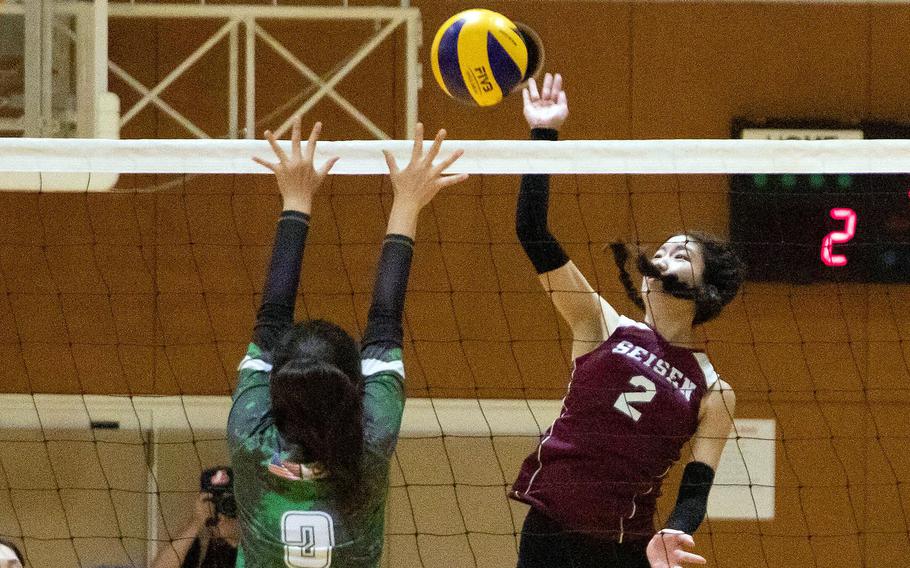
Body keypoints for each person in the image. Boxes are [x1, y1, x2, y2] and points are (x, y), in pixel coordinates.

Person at [509, 73, 745, 568]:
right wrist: (543, 134)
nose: (661, 257)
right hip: (548, 530)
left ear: (704, 291)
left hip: (622, 548)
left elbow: (696, 488)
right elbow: (532, 232)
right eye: (659, 250)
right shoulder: (602, 324)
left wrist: (676, 532)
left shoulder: (714, 390)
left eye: (680, 253)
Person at [228, 119, 467, 567]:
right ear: (354, 386)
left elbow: (381, 324)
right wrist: (299, 197)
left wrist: (406, 202)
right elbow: (276, 321)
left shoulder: (258, 437)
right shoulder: (256, 435)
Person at [150, 468, 239, 568]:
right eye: (213, 501)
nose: (219, 509)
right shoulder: (201, 546)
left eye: (228, 502)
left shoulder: (256, 546)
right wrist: (196, 522)